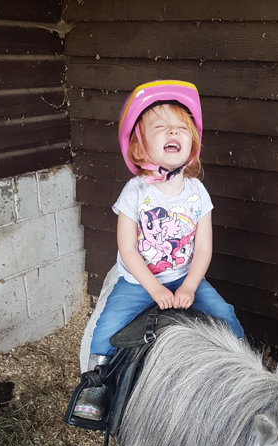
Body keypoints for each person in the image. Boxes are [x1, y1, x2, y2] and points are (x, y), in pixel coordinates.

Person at [73, 80, 244, 422]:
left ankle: (245, 374)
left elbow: (204, 247)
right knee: (106, 327)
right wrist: (153, 288)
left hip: (183, 275)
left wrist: (190, 287)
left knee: (225, 314)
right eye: (161, 127)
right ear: (139, 148)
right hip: (138, 282)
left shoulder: (197, 193)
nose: (173, 132)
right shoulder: (134, 193)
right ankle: (96, 385)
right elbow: (127, 247)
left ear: (192, 144)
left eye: (182, 128)